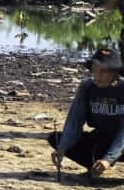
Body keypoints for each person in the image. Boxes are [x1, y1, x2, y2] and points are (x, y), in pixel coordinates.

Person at [48, 46, 124, 180]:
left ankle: (104, 163)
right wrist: (63, 147)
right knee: (56, 138)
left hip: (122, 140)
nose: (97, 76)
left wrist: (108, 159)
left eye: (103, 71)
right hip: (102, 138)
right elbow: (75, 122)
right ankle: (94, 166)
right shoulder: (87, 87)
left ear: (115, 72)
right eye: (94, 70)